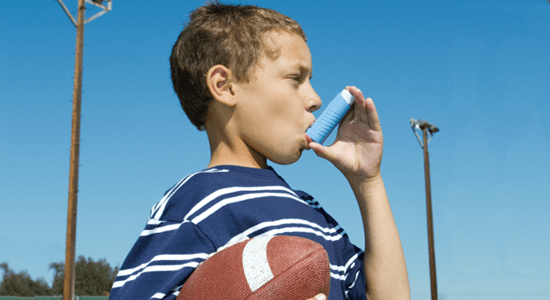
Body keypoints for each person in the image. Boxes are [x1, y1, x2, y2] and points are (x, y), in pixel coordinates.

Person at [109, 2, 409, 300]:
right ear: (224, 86)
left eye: (311, 81)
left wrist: (368, 181)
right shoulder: (198, 202)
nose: (316, 99)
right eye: (295, 78)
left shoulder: (312, 212)